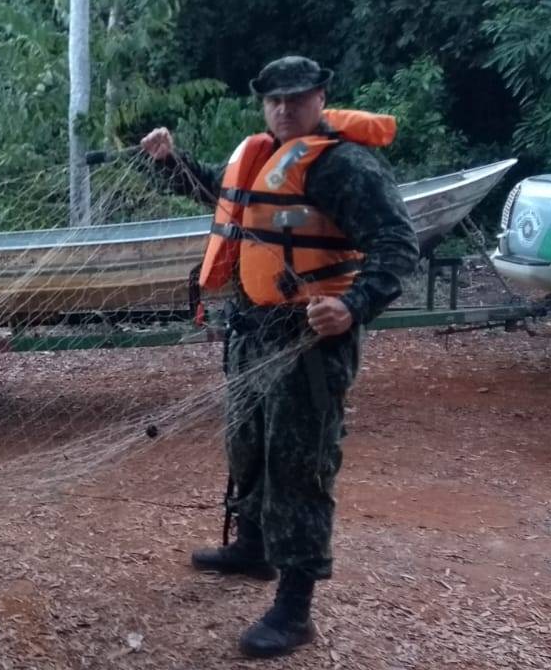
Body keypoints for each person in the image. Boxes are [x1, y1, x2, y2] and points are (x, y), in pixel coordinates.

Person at [138, 56, 420, 658]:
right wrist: (169, 161)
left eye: (296, 98)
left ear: (320, 97)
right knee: (247, 446)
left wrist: (353, 306)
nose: (285, 109)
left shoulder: (346, 166)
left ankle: (295, 609)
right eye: (274, 101)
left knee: (299, 465)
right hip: (251, 331)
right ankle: (253, 547)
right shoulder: (261, 155)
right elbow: (216, 190)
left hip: (309, 341)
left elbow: (398, 245)